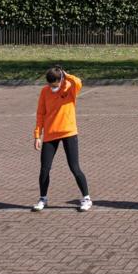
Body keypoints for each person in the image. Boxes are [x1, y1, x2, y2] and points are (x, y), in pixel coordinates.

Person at [33, 66, 91, 212]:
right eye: (50, 85)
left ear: (61, 80)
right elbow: (40, 114)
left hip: (69, 133)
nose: (52, 87)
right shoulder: (45, 91)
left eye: (55, 85)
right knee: (44, 169)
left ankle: (86, 198)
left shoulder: (69, 88)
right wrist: (37, 136)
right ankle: (42, 198)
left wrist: (67, 75)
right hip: (50, 134)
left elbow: (78, 82)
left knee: (74, 168)